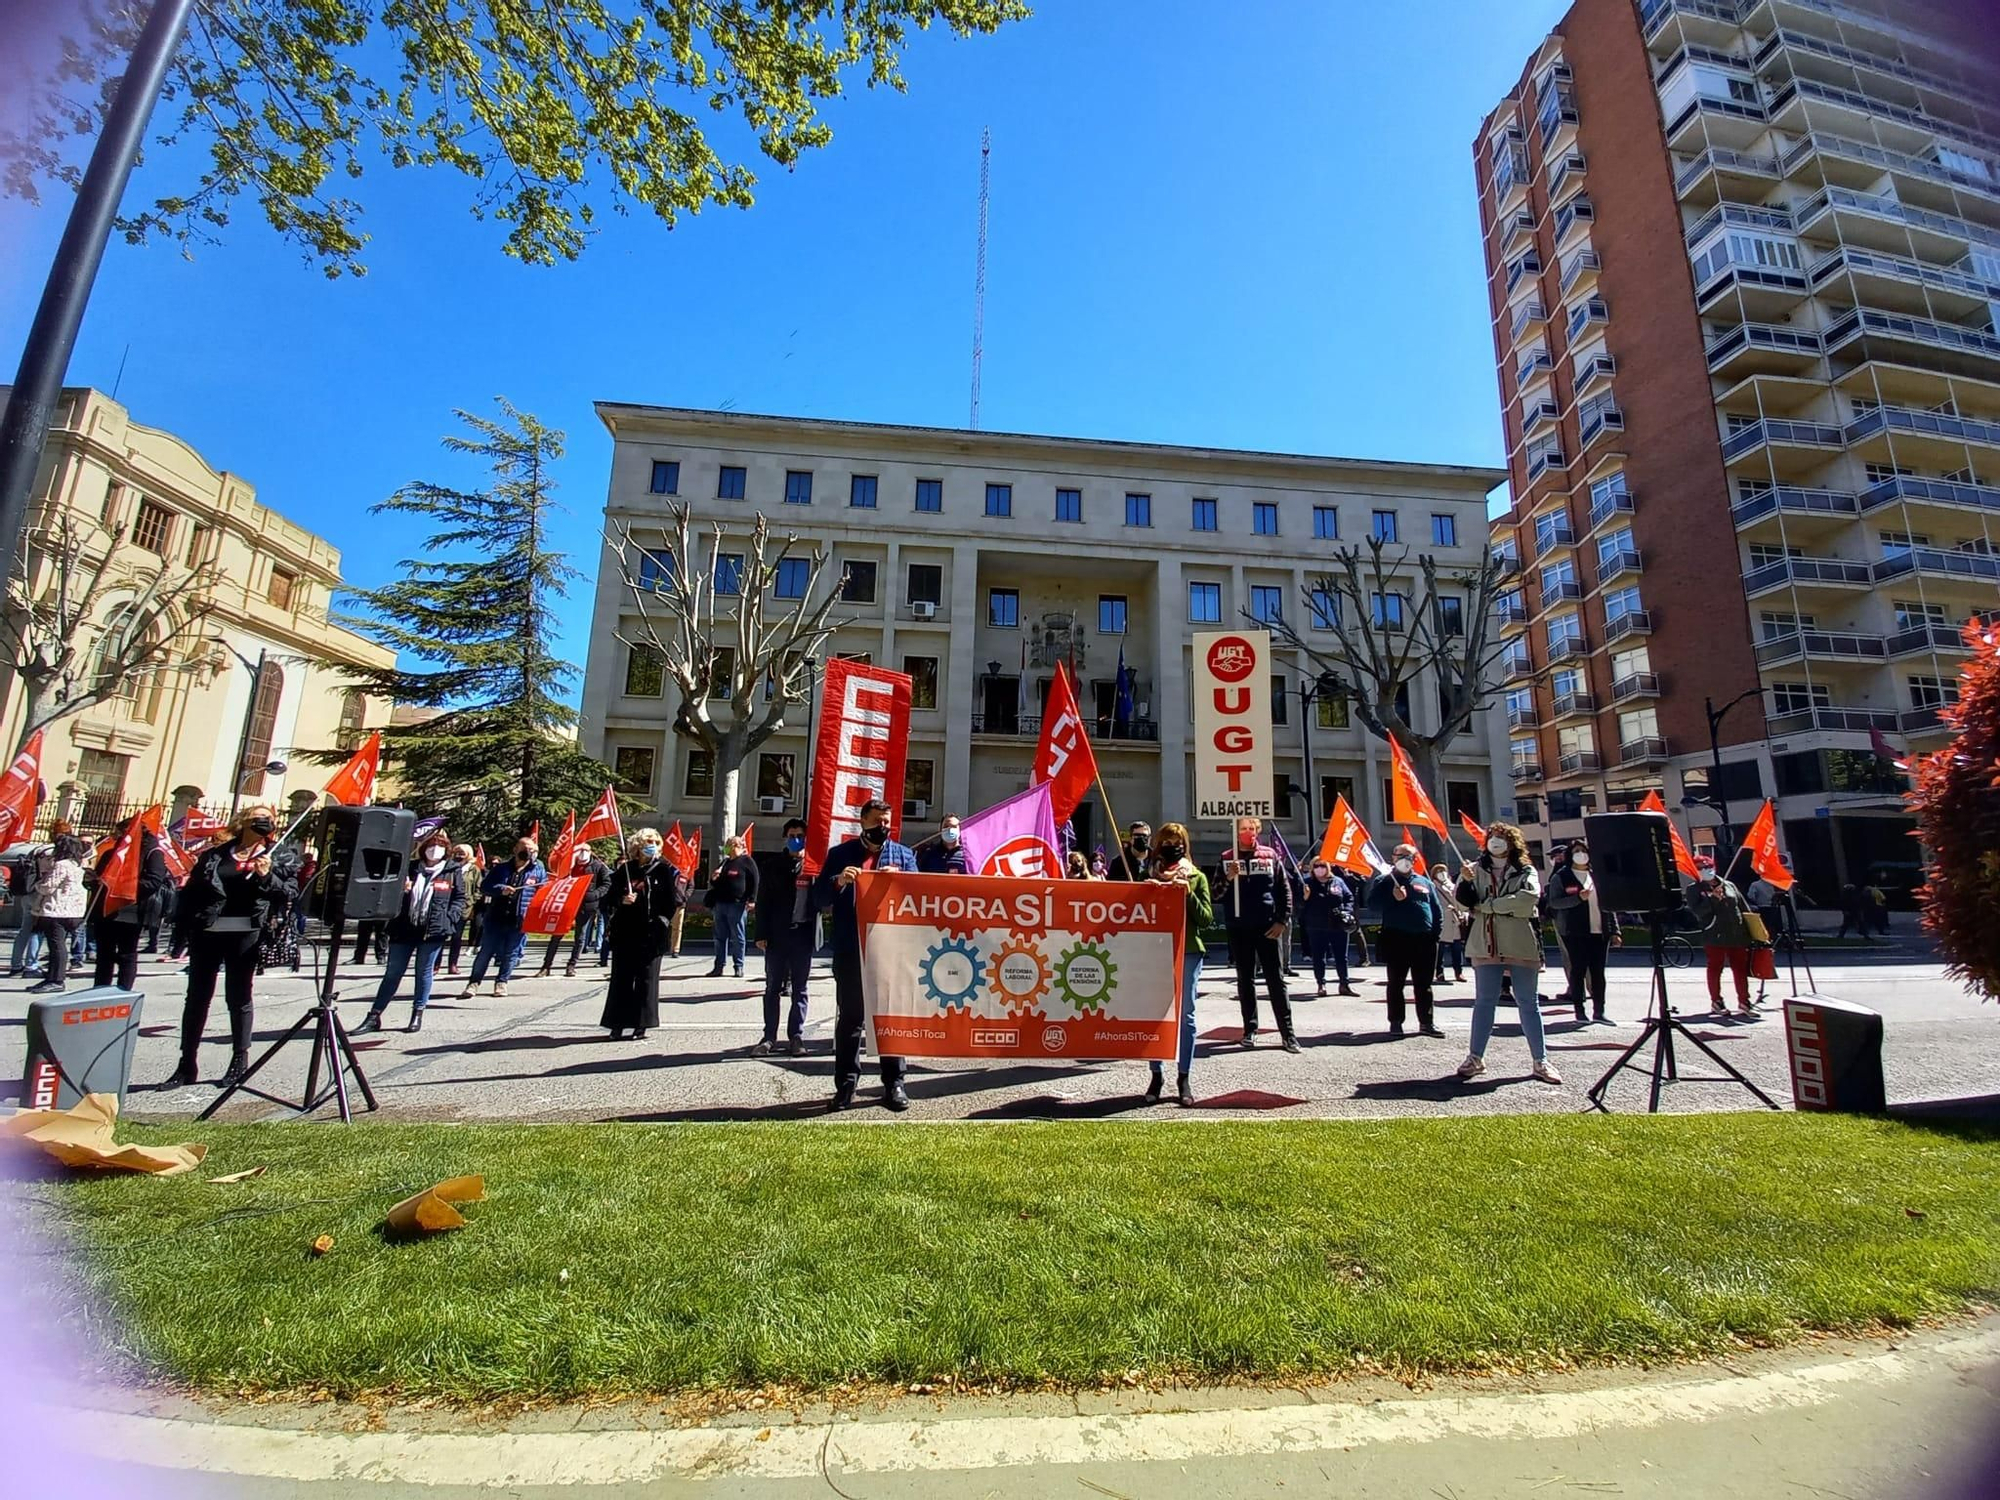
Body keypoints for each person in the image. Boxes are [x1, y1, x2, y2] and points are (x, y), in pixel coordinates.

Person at [161, 805, 297, 1088]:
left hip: (246, 933)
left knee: (238, 996)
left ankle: (239, 1059)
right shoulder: (215, 855)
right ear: (243, 822)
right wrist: (182, 932)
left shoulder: (278, 855)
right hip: (208, 931)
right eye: (259, 818)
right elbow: (194, 891)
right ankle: (187, 1063)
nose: (266, 822)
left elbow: (290, 893)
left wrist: (267, 876)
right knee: (197, 997)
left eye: (270, 820)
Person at [813, 799, 918, 1110]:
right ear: (863, 822)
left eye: (887, 822)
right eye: (877, 822)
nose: (883, 828)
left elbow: (919, 897)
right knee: (851, 1019)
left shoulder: (903, 854)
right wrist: (839, 881)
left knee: (889, 1019)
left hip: (890, 950)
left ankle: (894, 1083)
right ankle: (846, 1085)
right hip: (851, 948)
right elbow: (818, 898)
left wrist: (901, 880)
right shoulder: (840, 854)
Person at [1454, 822, 1562, 1085]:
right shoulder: (1475, 869)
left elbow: (1527, 900)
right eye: (1492, 837)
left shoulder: (1525, 870)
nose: (1496, 841)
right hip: (1486, 942)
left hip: (1520, 942)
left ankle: (1541, 1060)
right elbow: (1461, 902)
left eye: (1502, 837)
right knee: (1484, 1002)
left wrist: (1489, 906)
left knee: (1528, 1002)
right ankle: (1475, 1057)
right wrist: (1466, 883)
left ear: (1512, 842)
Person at [356, 833, 468, 1034]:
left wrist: (450, 917)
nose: (435, 849)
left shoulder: (452, 871)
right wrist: (402, 890)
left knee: (424, 973)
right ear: (423, 848)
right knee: (393, 973)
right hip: (404, 927)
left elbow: (459, 898)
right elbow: (389, 891)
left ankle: (417, 1013)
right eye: (431, 845)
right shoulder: (411, 868)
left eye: (440, 846)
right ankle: (374, 1015)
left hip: (433, 929)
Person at [1215, 815, 1297, 1051]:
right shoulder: (1227, 858)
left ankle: (1288, 1034)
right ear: (1235, 831)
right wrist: (1229, 878)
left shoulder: (1270, 856)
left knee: (1276, 980)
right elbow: (1216, 894)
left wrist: (1282, 920)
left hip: (1268, 927)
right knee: (1245, 980)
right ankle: (1250, 1030)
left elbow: (1284, 891)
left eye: (1251, 828)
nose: (1247, 832)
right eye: (1243, 828)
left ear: (1258, 830)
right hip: (1239, 927)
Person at [1145, 822, 1210, 1107]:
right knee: (1155, 1015)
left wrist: (1188, 894)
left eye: (1178, 840)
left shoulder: (1196, 876)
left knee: (1187, 1016)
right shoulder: (1147, 874)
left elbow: (1206, 918)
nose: (1173, 844)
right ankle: (1156, 1074)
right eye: (1168, 840)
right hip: (1155, 951)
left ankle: (1184, 1076)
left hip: (1188, 951)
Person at [602, 830, 682, 1040]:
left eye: (656, 842)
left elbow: (672, 902)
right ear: (638, 845)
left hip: (651, 934)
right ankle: (617, 1024)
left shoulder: (664, 870)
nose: (653, 845)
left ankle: (642, 1024)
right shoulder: (625, 870)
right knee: (621, 979)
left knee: (647, 979)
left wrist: (661, 922)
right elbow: (608, 898)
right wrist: (622, 899)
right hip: (625, 933)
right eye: (648, 842)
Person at [1366, 843, 1444, 1039]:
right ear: (1393, 858)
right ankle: (1396, 1022)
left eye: (1409, 856)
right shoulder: (1384, 881)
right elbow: (1373, 905)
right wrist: (1393, 898)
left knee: (1424, 984)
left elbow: (1436, 910)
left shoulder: (1425, 882)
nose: (1404, 859)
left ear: (1415, 859)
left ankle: (1426, 1023)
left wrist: (1435, 934)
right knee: (1396, 983)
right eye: (1400, 855)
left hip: (1424, 941)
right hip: (1397, 939)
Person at [753, 818, 817, 1056]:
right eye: (791, 835)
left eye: (800, 835)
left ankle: (796, 1036)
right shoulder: (771, 866)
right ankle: (769, 1036)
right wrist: (761, 934)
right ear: (785, 838)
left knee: (800, 988)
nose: (796, 839)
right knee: (772, 988)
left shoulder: (813, 867)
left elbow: (820, 899)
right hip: (776, 936)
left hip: (802, 934)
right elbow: (764, 902)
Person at [90, 825, 173, 992]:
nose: (117, 837)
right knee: (104, 956)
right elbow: (99, 879)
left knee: (126, 954)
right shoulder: (111, 854)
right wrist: (92, 880)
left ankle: (123, 992)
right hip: (106, 911)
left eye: (121, 833)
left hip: (131, 911)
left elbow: (153, 881)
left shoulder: (152, 853)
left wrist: (123, 887)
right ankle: (99, 991)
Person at [460, 836, 543, 997]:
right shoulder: (501, 869)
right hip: (496, 918)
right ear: (516, 849)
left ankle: (501, 982)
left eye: (532, 850)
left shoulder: (537, 871)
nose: (529, 852)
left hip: (520, 919)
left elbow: (542, 893)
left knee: (511, 953)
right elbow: (484, 887)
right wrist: (501, 889)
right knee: (486, 952)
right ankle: (473, 983)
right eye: (525, 848)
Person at [1547, 839, 1618, 1024]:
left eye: (1584, 850)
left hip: (1599, 932)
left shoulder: (1597, 876)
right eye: (1577, 851)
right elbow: (1554, 902)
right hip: (1574, 931)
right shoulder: (1562, 876)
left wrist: (1615, 930)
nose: (1581, 854)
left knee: (1598, 973)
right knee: (1578, 971)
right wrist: (1577, 898)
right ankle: (1580, 1011)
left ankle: (1599, 1011)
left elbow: (1609, 905)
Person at [1686, 855, 1758, 1019]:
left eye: (1708, 867)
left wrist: (1755, 929)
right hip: (1714, 934)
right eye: (1701, 869)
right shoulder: (1694, 889)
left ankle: (1744, 1002)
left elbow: (1743, 907)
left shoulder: (1729, 885)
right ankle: (1716, 1001)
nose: (1705, 871)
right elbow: (1697, 912)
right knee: (1715, 968)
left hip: (1737, 933)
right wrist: (1712, 899)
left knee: (1740, 968)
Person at [538, 844, 612, 977]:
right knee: (557, 935)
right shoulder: (569, 866)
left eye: (585, 850)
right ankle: (546, 965)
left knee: (580, 936)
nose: (582, 853)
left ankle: (571, 965)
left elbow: (606, 884)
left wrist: (594, 895)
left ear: (590, 852)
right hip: (566, 904)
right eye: (580, 850)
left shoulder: (599, 867)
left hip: (587, 906)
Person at [26, 835, 87, 994]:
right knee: (58, 945)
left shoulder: (61, 865)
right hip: (73, 911)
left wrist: (38, 883)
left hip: (57, 910)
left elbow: (48, 887)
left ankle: (56, 979)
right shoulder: (78, 864)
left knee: (56, 946)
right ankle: (51, 977)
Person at [1299, 859, 1359, 997]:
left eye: (1322, 866)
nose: (1319, 869)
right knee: (1319, 957)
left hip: (1337, 924)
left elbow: (1349, 897)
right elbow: (1298, 904)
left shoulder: (1337, 881)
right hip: (1316, 925)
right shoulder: (1307, 883)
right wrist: (1305, 897)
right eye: (1316, 866)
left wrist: (1347, 911)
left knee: (1341, 956)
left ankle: (1344, 984)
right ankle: (1321, 984)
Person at [705, 835, 759, 979]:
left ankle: (738, 966)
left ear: (738, 845)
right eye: (727, 845)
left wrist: (752, 899)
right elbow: (716, 884)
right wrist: (714, 878)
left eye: (730, 845)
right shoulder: (726, 862)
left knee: (738, 936)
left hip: (738, 904)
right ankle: (719, 966)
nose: (727, 848)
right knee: (719, 937)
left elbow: (755, 881)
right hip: (721, 904)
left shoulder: (747, 861)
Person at [1540, 843, 1575, 1009]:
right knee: (1570, 957)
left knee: (1571, 956)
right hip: (1561, 918)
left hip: (1568, 920)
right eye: (1554, 857)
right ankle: (1577, 988)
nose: (1555, 860)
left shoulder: (1565, 873)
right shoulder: (1560, 873)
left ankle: (1576, 989)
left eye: (1558, 856)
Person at [446, 844, 479, 974]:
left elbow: (478, 888)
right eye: (457, 853)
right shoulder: (448, 867)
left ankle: (453, 964)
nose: (459, 856)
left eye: (462, 853)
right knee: (441, 936)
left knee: (456, 936)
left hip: (463, 908)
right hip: (446, 906)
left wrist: (471, 901)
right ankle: (435, 965)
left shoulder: (473, 869)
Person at [1434, 869, 1468, 986]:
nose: (1441, 873)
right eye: (1438, 871)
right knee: (1440, 949)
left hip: (1454, 920)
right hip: (1443, 920)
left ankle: (1458, 972)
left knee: (1457, 948)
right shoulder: (1433, 887)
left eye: (1443, 871)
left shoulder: (1453, 885)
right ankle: (1439, 972)